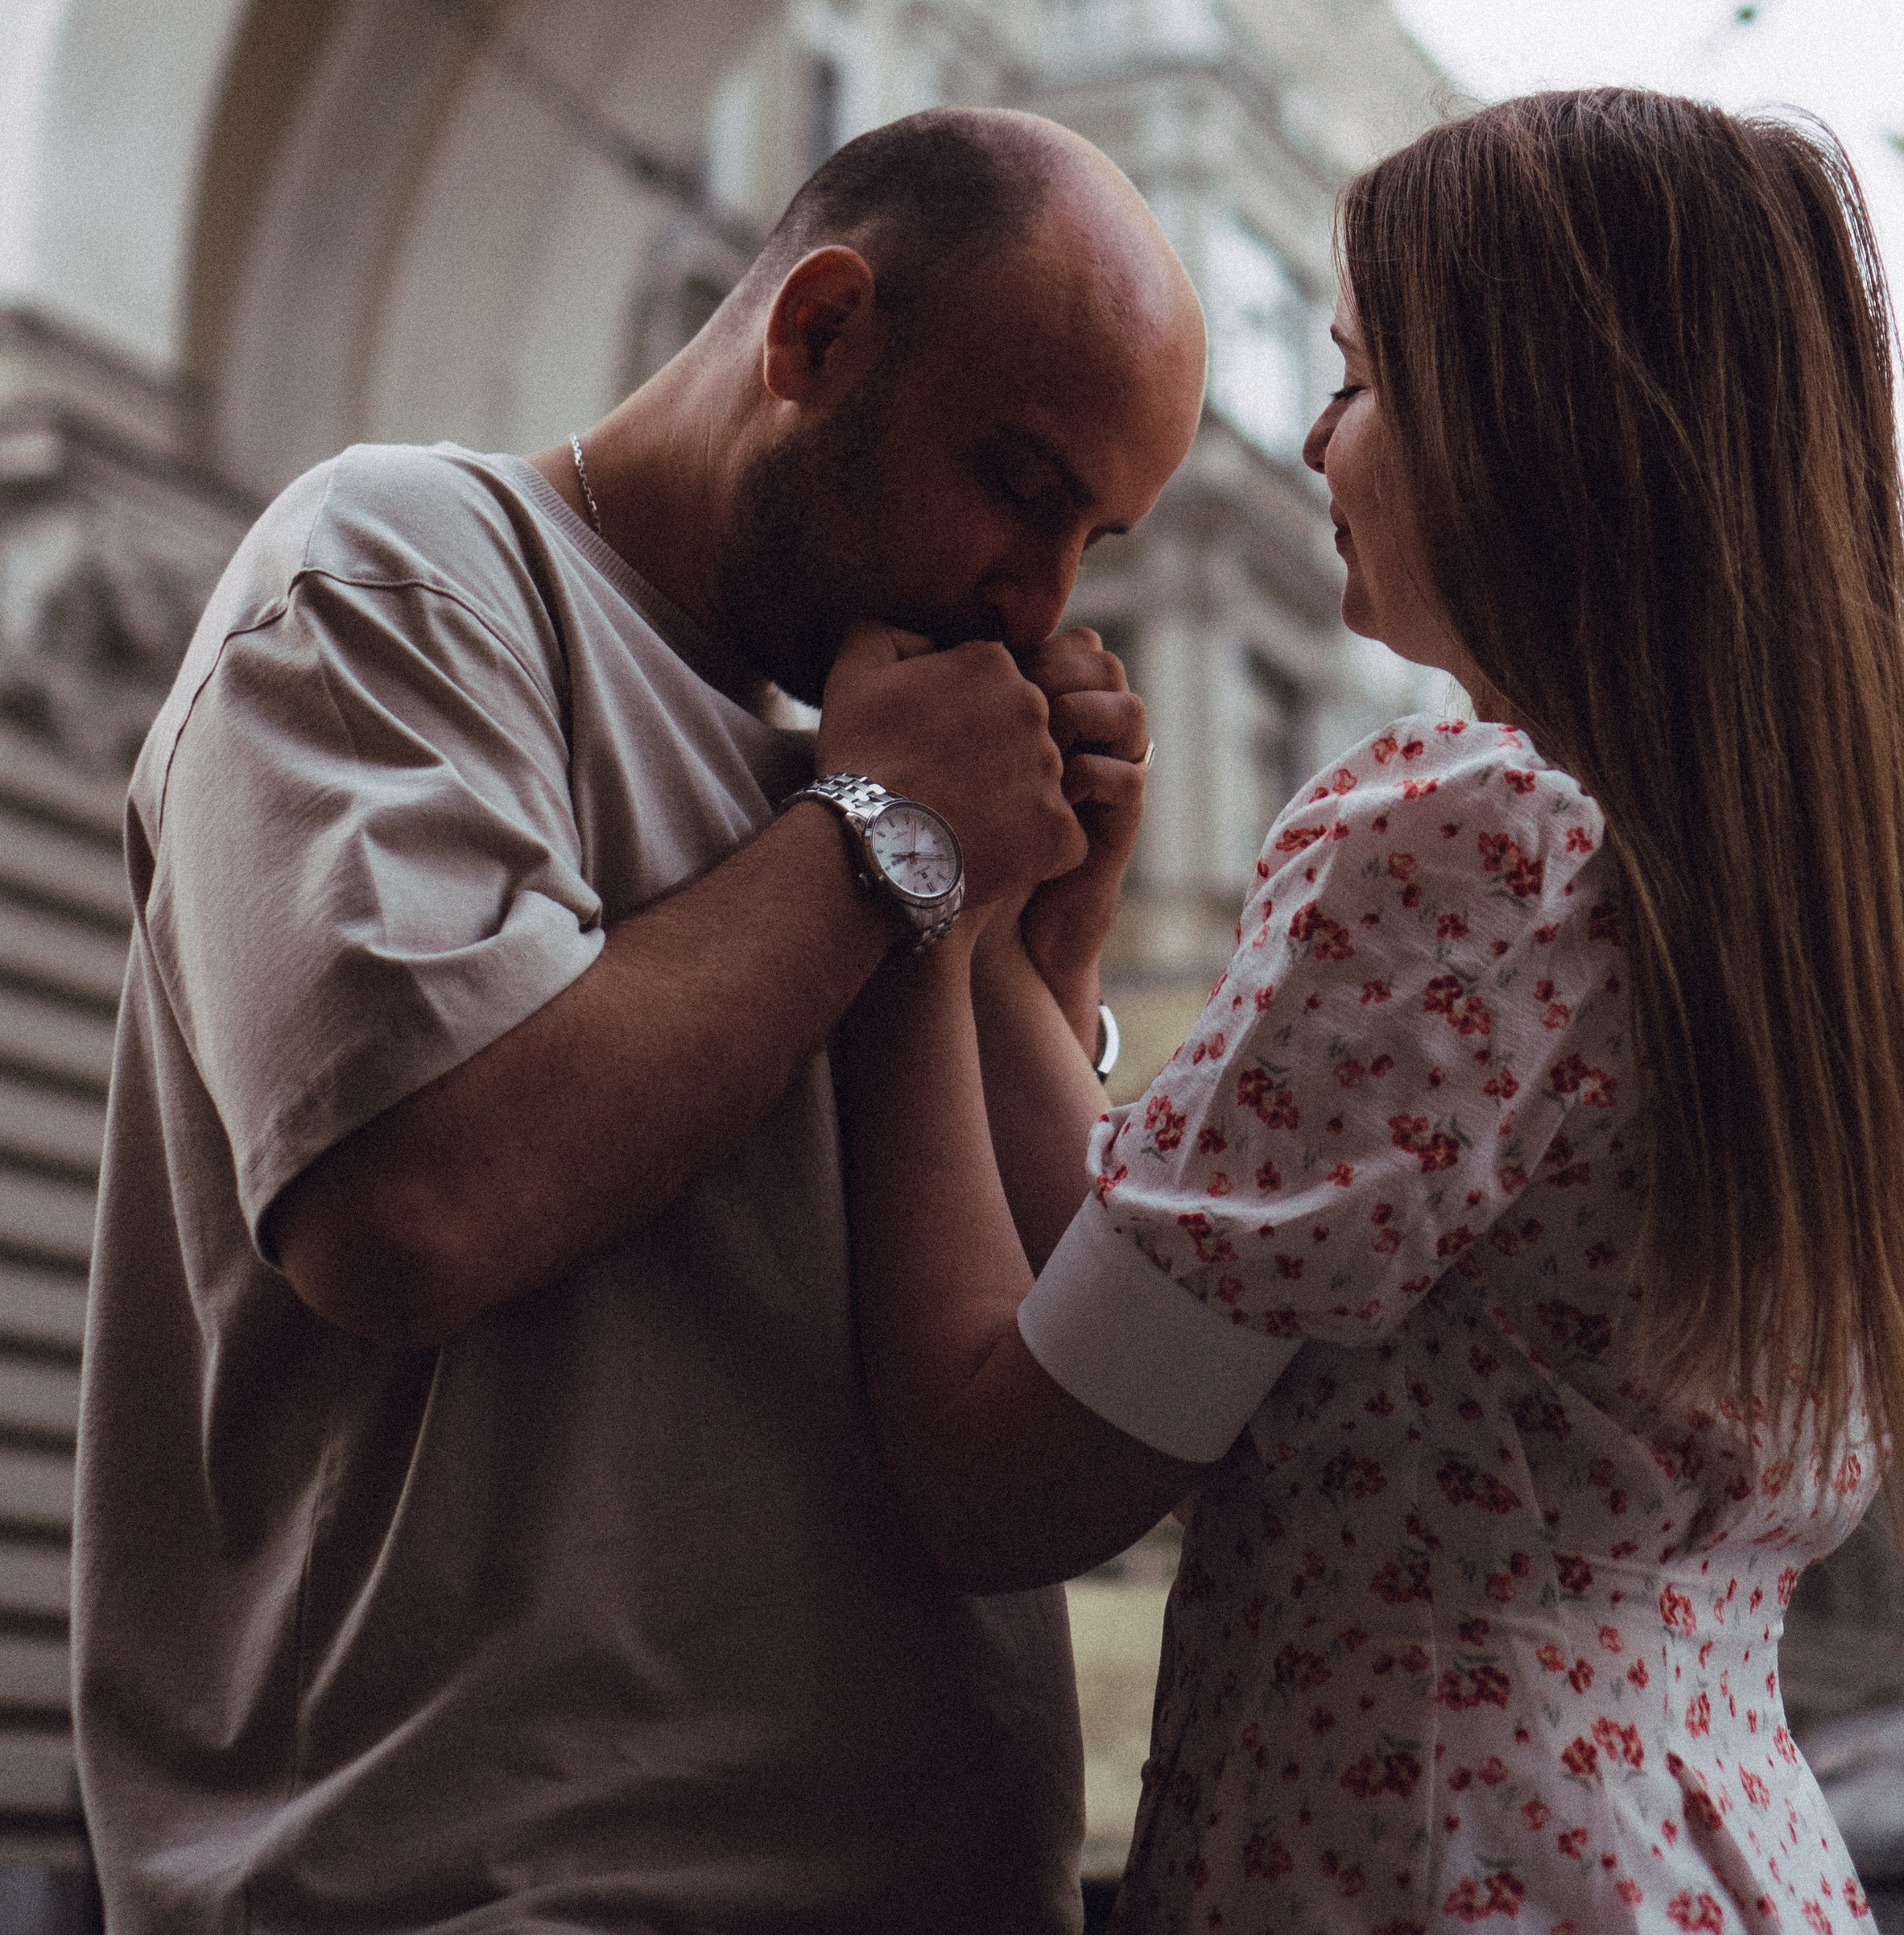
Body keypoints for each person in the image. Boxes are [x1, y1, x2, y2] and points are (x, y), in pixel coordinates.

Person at [839, 87, 1904, 1935]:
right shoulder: (1768, 918)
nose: (1304, 434)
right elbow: (1152, 1308)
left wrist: (899, 880)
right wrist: (1020, 959)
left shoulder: (1467, 838)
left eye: (1358, 375)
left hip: (1429, 1867)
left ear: (1535, 426)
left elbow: (1005, 1485)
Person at [73, 108, 1208, 1934]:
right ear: (814, 333)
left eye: (1096, 532)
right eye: (1014, 483)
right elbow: (409, 1209)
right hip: (476, 1896)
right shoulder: (400, 572)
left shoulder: (877, 752)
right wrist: (887, 843)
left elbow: (1047, 1421)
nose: (1041, 595)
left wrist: (1031, 954)